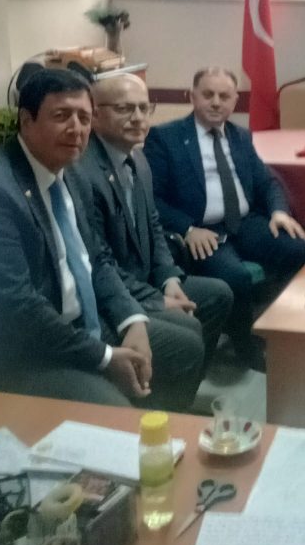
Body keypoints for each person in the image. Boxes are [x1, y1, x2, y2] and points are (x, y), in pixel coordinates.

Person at [0, 69, 204, 409]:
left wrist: (131, 319)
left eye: (84, 118)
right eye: (62, 116)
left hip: (88, 320)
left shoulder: (71, 171)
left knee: (186, 344)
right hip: (33, 351)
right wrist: (104, 356)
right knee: (115, 408)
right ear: (26, 121)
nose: (76, 128)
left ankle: (151, 424)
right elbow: (19, 307)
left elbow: (96, 259)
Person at [143, 67, 305, 364]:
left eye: (224, 96)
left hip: (244, 222)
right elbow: (152, 198)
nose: (216, 102)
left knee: (298, 249)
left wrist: (278, 211)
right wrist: (187, 228)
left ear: (235, 101)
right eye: (208, 94)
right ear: (192, 97)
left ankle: (281, 327)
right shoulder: (165, 138)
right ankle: (244, 346)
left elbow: (267, 182)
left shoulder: (241, 136)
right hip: (203, 230)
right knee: (235, 276)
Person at [76, 73, 233, 368]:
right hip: (113, 292)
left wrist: (168, 279)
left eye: (144, 108)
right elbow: (98, 261)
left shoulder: (138, 159)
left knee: (218, 294)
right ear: (95, 115)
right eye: (124, 109)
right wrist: (156, 299)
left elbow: (154, 225)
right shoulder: (83, 172)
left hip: (146, 279)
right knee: (188, 331)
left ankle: (184, 381)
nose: (138, 118)